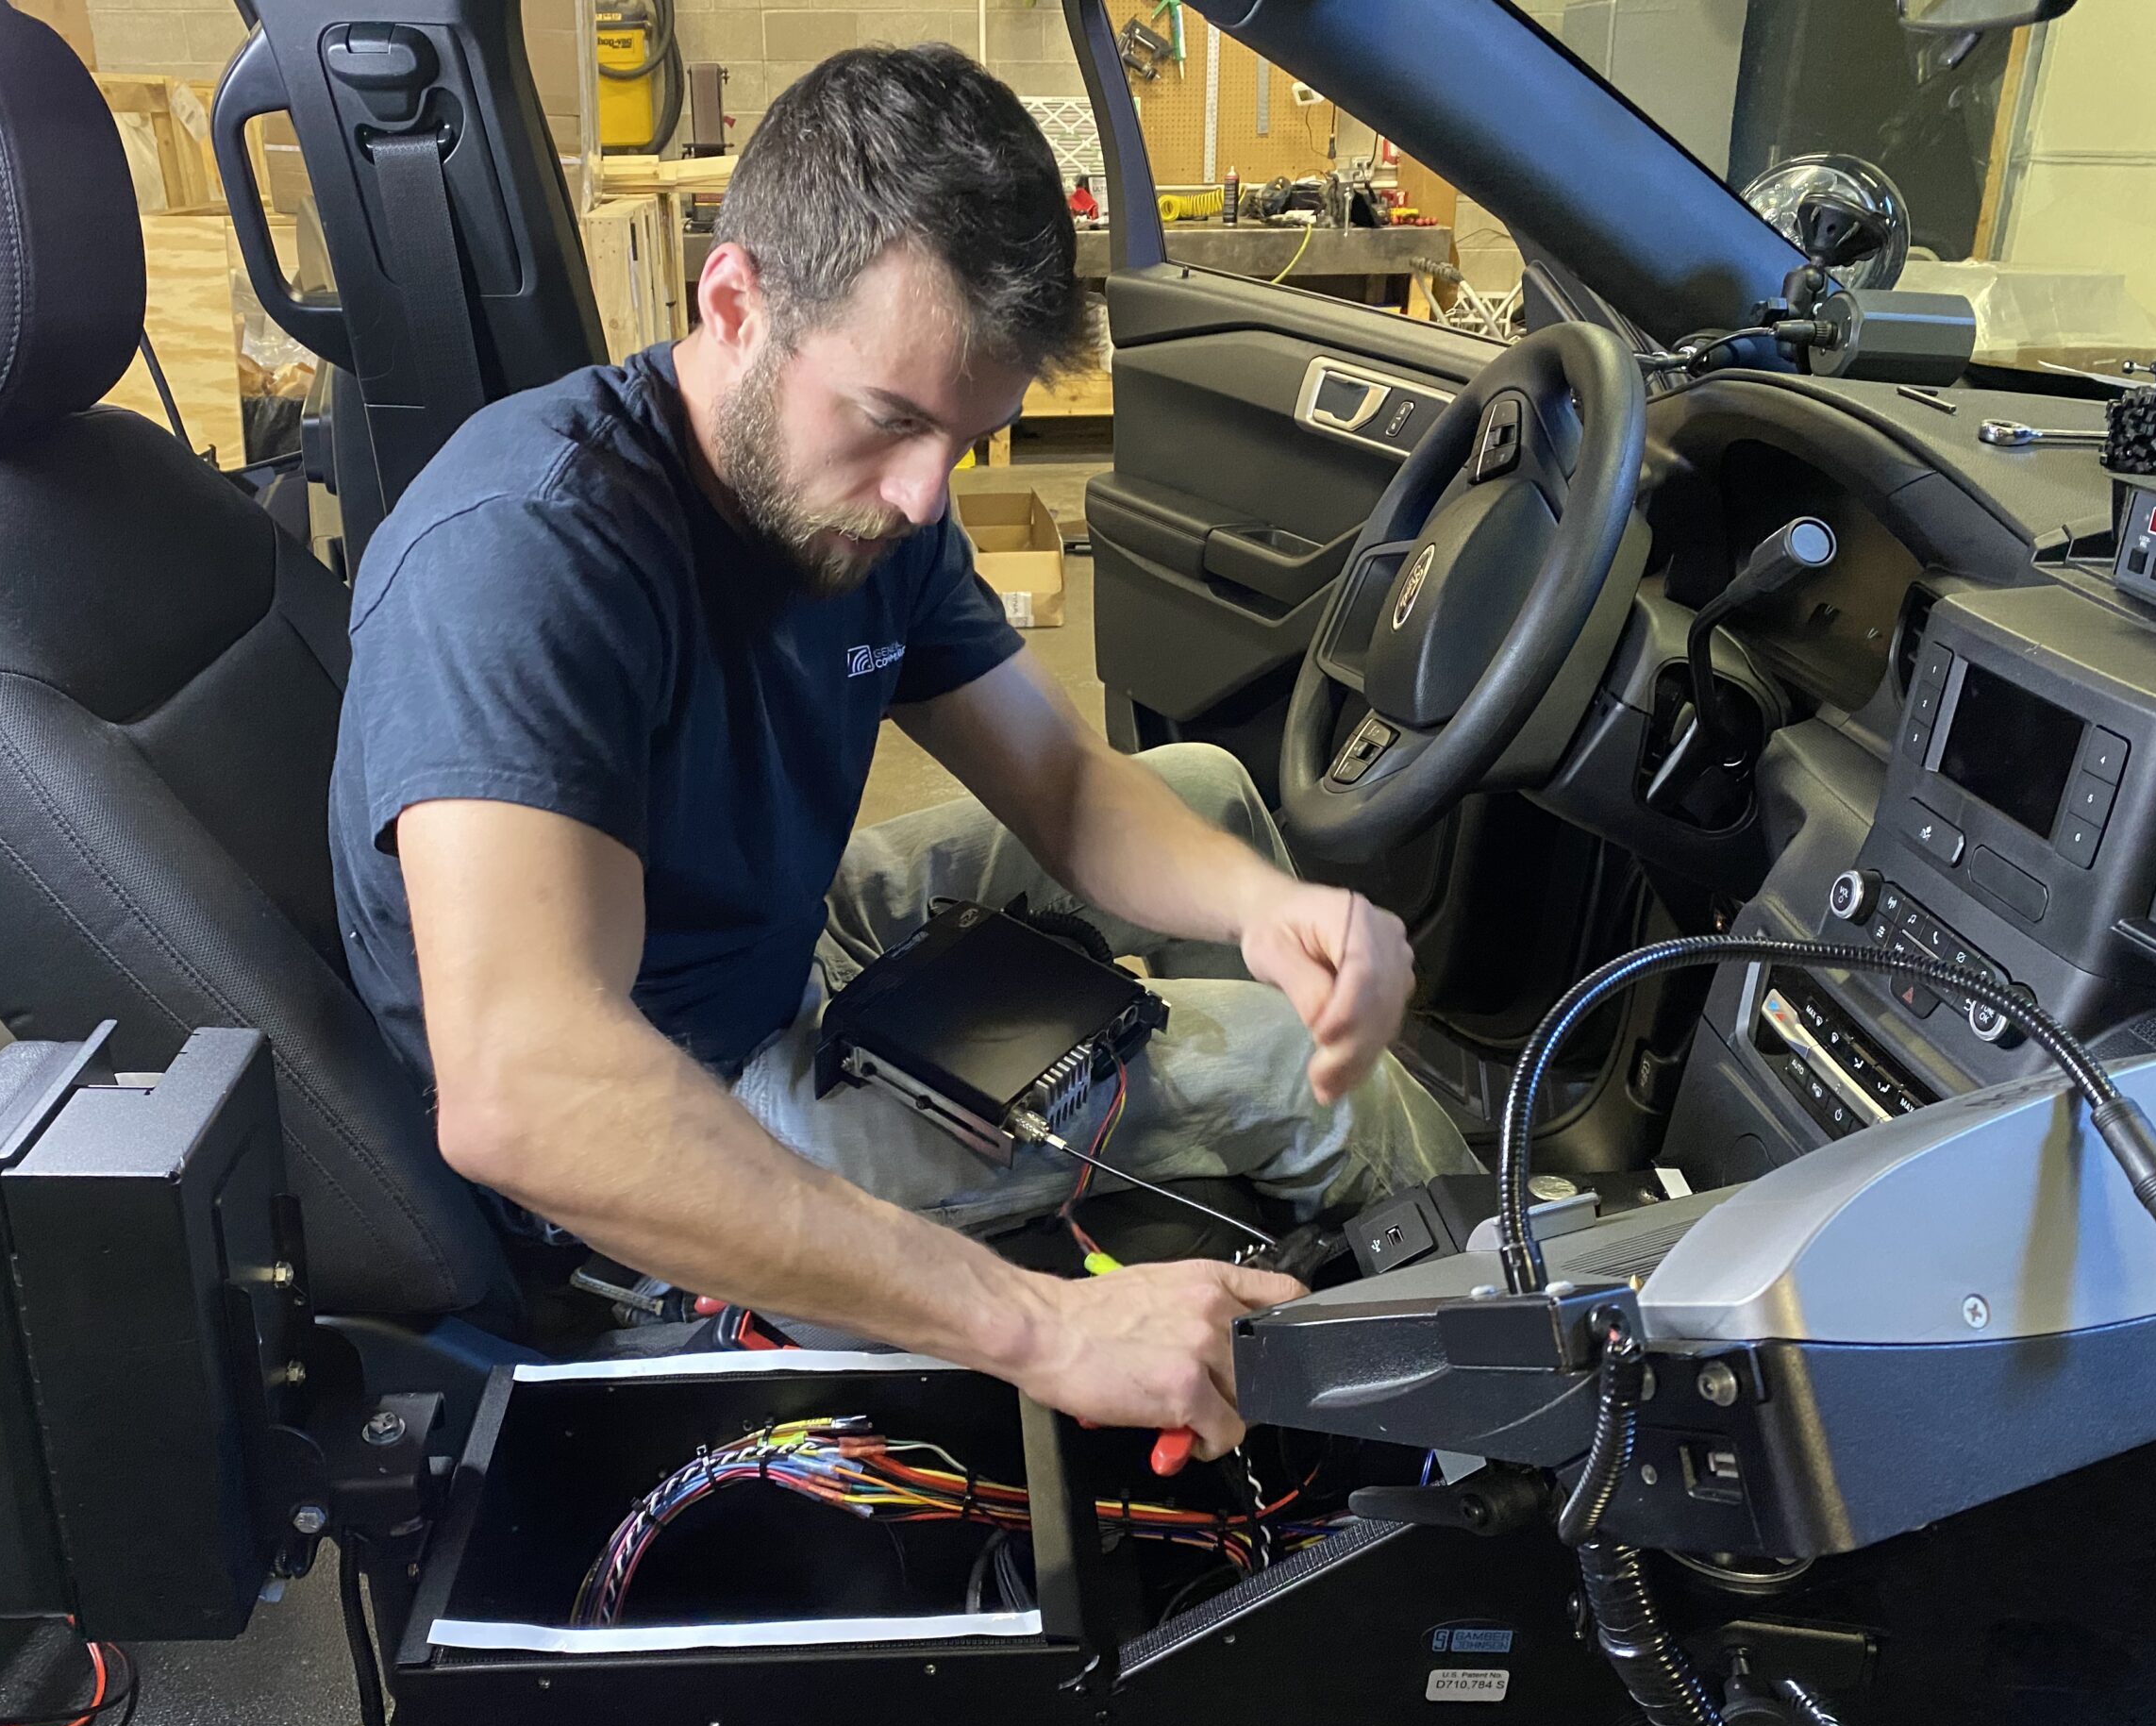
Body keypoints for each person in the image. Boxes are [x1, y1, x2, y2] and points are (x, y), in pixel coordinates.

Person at [328, 44, 1475, 1461]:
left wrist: (1273, 910)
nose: (926, 494)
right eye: (893, 421)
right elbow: (531, 1098)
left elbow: (1058, 781)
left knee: (1212, 803)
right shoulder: (523, 556)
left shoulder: (870, 504)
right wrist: (1045, 1328)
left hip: (755, 940)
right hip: (647, 1123)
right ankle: (1522, 1401)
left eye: (972, 437)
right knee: (1291, 1066)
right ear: (735, 301)